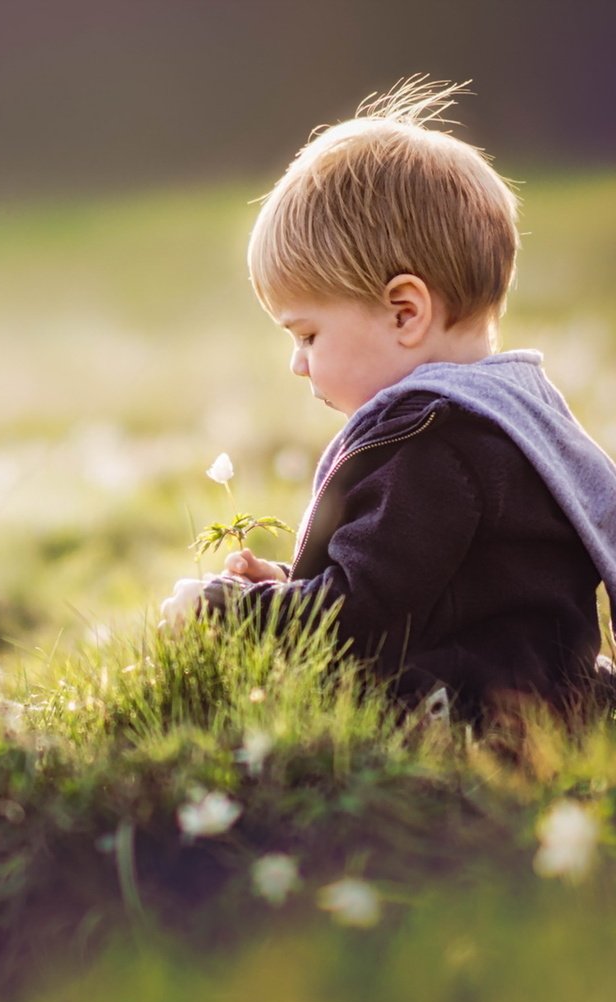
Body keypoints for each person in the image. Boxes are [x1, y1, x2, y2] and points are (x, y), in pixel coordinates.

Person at [180, 77, 616, 721]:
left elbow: (356, 623)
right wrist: (290, 588)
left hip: (470, 717)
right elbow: (422, 594)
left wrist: (227, 609)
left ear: (404, 313)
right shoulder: (515, 412)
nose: (297, 364)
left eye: (307, 333)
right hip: (548, 695)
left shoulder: (431, 442)